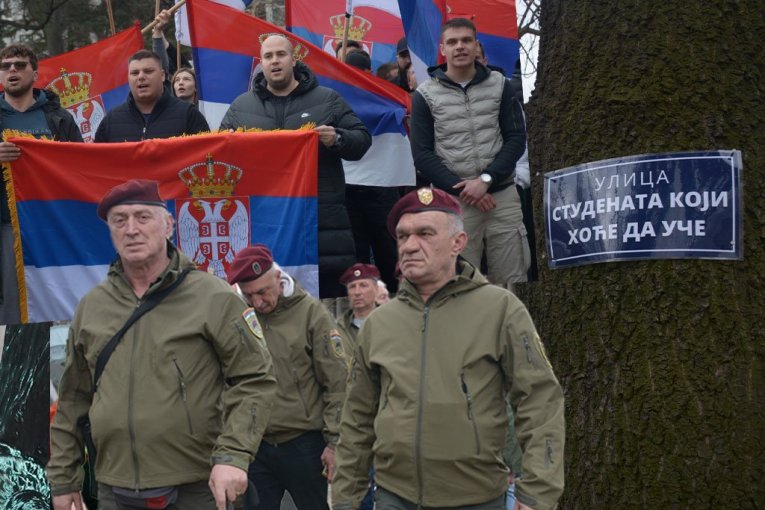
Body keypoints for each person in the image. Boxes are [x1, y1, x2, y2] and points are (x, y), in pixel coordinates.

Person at [48, 180, 277, 510]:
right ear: (110, 232)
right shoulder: (92, 307)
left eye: (142, 217)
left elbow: (255, 379)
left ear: (168, 224)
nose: (131, 229)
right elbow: (73, 399)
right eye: (119, 220)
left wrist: (235, 455)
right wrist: (64, 479)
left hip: (196, 486)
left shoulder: (213, 297)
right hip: (115, 487)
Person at [332, 187, 565, 510]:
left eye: (425, 233)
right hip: (392, 496)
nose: (410, 245)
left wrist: (537, 493)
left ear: (458, 242)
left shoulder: (500, 310)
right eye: (402, 236)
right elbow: (357, 418)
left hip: (477, 498)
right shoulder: (379, 323)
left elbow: (539, 400)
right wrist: (345, 499)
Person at [220, 35, 371, 298]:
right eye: (268, 56)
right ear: (261, 63)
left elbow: (361, 141)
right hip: (265, 223)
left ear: (293, 59)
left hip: (321, 223)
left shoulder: (327, 99)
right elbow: (220, 157)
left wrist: (336, 138)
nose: (275, 61)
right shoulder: (241, 107)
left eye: (281, 55)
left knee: (323, 305)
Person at [410, 18, 530, 290]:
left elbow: (515, 139)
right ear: (443, 48)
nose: (460, 46)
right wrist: (466, 189)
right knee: (460, 285)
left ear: (476, 46)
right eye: (452, 42)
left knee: (513, 284)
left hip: (502, 199)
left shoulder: (501, 85)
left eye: (466, 40)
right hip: (454, 205)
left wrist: (486, 180)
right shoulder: (424, 95)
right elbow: (422, 155)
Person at [227, 244, 348, 510]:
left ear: (277, 278)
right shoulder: (236, 316)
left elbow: (338, 381)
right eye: (249, 295)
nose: (257, 302)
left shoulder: (311, 314)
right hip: (254, 445)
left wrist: (336, 442)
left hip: (303, 444)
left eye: (262, 292)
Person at [0, 44, 83, 325]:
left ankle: (55, 359)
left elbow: (80, 165)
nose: (12, 70)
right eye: (6, 65)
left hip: (51, 223)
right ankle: (15, 362)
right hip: (6, 225)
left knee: (52, 294)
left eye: (20, 65)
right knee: (12, 301)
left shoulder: (59, 117)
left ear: (34, 73)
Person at [94, 49, 208, 142]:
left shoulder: (188, 114)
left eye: (148, 71)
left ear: (163, 75)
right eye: (134, 73)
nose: (140, 77)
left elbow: (207, 160)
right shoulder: (111, 120)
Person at [337, 262, 381, 355]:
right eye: (352, 286)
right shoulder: (337, 329)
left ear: (376, 289)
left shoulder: (390, 323)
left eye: (363, 285)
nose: (357, 292)